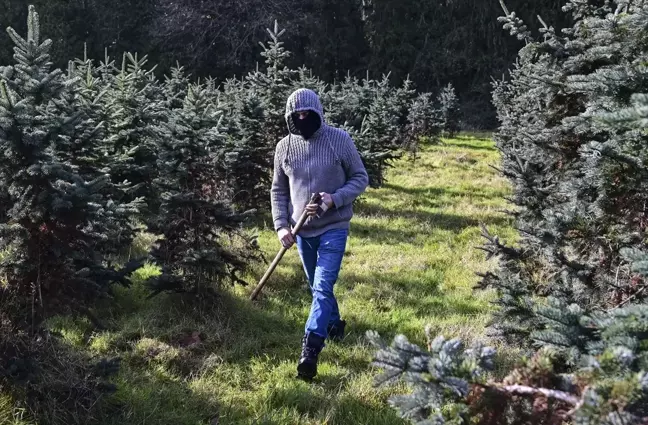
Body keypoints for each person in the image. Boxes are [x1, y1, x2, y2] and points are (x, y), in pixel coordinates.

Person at [270, 88, 369, 381]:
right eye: (296, 115)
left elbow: (360, 178)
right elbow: (277, 190)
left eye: (307, 114)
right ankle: (335, 324)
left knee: (323, 287)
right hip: (301, 232)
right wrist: (281, 226)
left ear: (317, 113)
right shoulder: (284, 148)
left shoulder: (339, 140)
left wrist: (333, 199)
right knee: (317, 287)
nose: (302, 119)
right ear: (290, 117)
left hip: (333, 227)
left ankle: (310, 350)